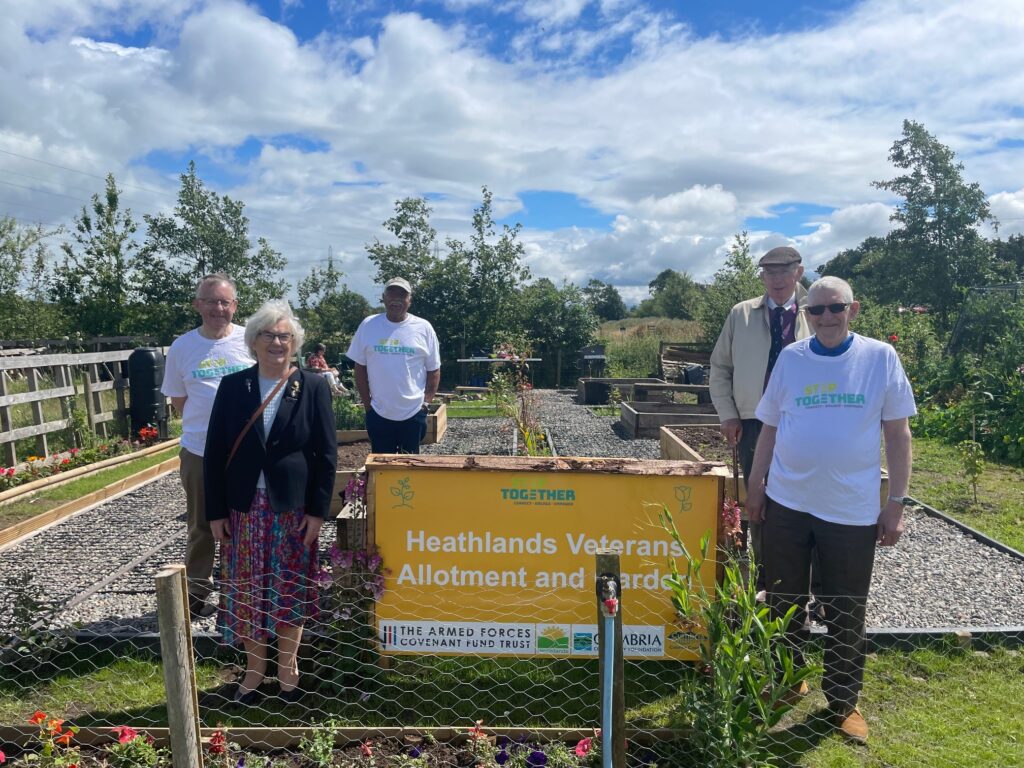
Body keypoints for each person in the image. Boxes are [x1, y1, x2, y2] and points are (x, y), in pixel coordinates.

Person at [746, 276, 916, 743]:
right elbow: (769, 429)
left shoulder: (879, 358)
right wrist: (755, 488)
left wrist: (895, 503)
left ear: (853, 309)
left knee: (846, 607)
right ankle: (787, 678)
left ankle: (843, 700)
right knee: (784, 600)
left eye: (834, 308)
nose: (825, 318)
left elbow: (898, 435)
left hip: (851, 510)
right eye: (815, 310)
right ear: (805, 313)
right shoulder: (791, 360)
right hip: (788, 503)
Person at [204, 300, 337, 704]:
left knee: (288, 588)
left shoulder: (312, 386)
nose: (277, 342)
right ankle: (253, 671)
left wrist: (317, 511)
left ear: (294, 343)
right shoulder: (234, 386)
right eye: (268, 335)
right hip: (244, 508)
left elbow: (326, 454)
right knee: (247, 590)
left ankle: (288, 671)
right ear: (253, 341)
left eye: (285, 336)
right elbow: (214, 453)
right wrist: (215, 512)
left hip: (291, 509)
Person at [709, 246, 811, 591]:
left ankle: (807, 580)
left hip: (806, 424)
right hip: (754, 422)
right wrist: (728, 414)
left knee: (805, 499)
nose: (777, 279)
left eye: (784, 271)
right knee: (758, 500)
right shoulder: (742, 314)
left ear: (799, 272)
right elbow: (720, 367)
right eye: (769, 272)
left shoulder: (818, 312)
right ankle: (767, 579)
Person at [161, 274, 254, 619]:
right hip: (199, 451)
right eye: (210, 301)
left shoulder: (250, 339)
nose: (218, 308)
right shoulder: (183, 347)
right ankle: (196, 594)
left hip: (245, 453)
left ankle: (238, 594)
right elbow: (179, 400)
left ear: (235, 306)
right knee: (201, 525)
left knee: (243, 524)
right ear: (197, 304)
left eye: (224, 302)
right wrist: (211, 432)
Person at [346, 277, 441, 454]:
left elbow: (434, 369)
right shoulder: (369, 325)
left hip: (413, 413)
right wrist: (368, 406)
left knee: (410, 468)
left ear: (409, 300)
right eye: (391, 294)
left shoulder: (423, 328)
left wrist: (425, 404)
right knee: (381, 469)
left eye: (402, 295)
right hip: (379, 413)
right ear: (383, 297)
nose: (396, 299)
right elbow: (359, 368)